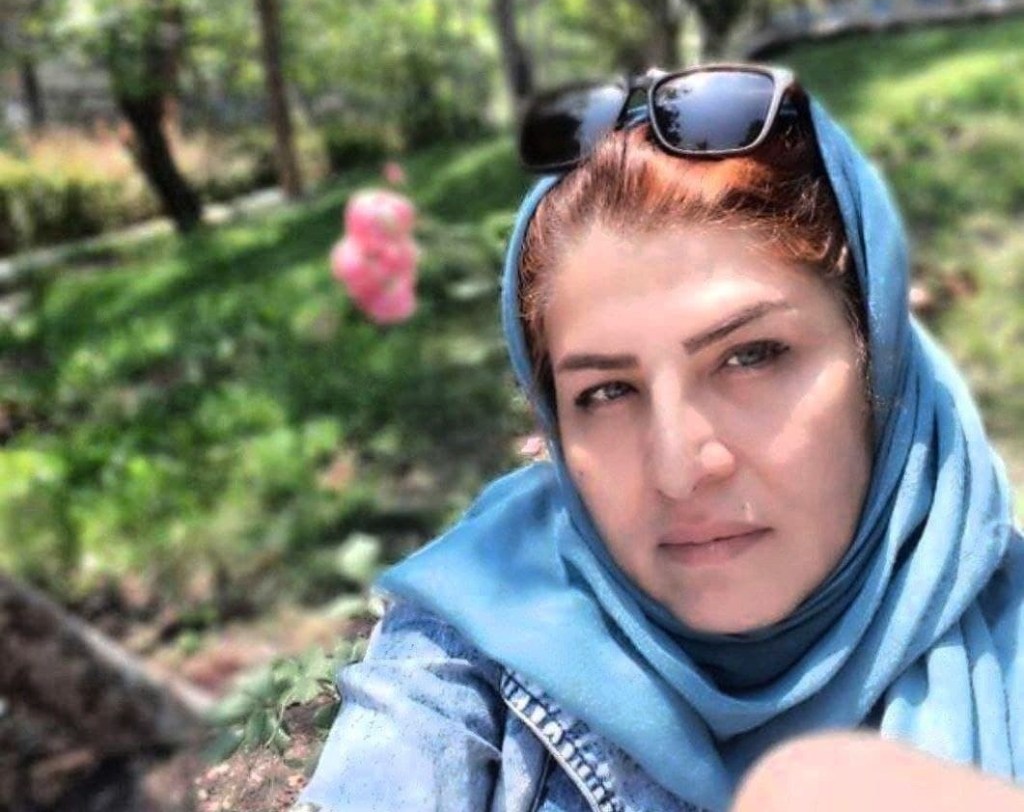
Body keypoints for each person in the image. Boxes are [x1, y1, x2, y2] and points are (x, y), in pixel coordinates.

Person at [297, 65, 1024, 812]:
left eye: (751, 356)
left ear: (878, 356)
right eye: (606, 392)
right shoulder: (472, 638)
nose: (680, 469)